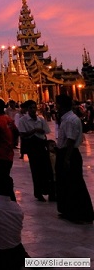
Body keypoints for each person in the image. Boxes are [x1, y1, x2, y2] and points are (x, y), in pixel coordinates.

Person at [54, 94, 94, 223]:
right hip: (65, 152)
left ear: (60, 105)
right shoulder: (66, 118)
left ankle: (81, 213)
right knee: (65, 183)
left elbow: (70, 140)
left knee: (74, 183)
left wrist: (66, 158)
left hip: (69, 153)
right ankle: (68, 210)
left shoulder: (70, 119)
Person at [17, 100, 54, 202]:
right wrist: (34, 131)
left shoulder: (40, 119)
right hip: (32, 146)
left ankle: (50, 191)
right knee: (36, 170)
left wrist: (38, 131)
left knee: (47, 169)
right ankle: (38, 193)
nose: (33, 110)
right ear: (27, 109)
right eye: (31, 108)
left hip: (42, 144)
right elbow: (23, 134)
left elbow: (46, 131)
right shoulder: (23, 120)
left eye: (34, 108)